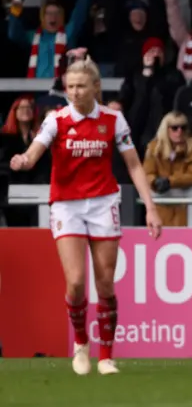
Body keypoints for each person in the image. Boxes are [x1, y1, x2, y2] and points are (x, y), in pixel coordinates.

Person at [9, 57, 162, 375]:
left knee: (105, 282)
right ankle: (81, 344)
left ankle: (106, 356)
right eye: (70, 87)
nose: (75, 92)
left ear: (95, 87)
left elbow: (133, 164)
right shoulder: (56, 120)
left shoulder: (113, 119)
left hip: (103, 203)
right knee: (76, 282)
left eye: (81, 86)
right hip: (66, 205)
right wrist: (23, 160)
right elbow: (35, 152)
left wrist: (150, 207)